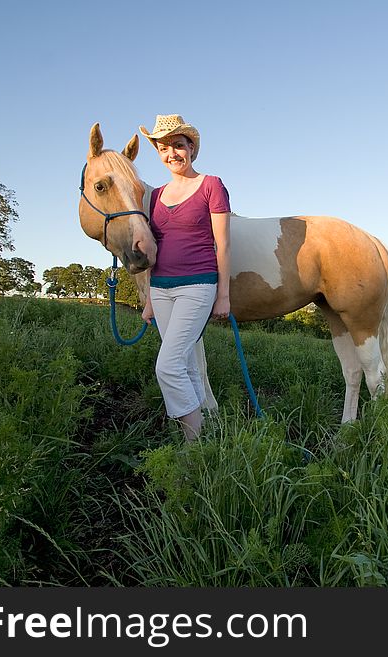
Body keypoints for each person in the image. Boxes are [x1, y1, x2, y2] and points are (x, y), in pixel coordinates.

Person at [138, 114, 231, 440]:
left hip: (198, 285)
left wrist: (223, 294)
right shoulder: (156, 196)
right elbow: (153, 250)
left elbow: (223, 244)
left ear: (191, 147)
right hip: (161, 289)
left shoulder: (210, 185)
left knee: (168, 366)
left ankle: (192, 449)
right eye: (164, 148)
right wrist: (149, 299)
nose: (171, 154)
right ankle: (206, 432)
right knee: (188, 366)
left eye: (178, 145)